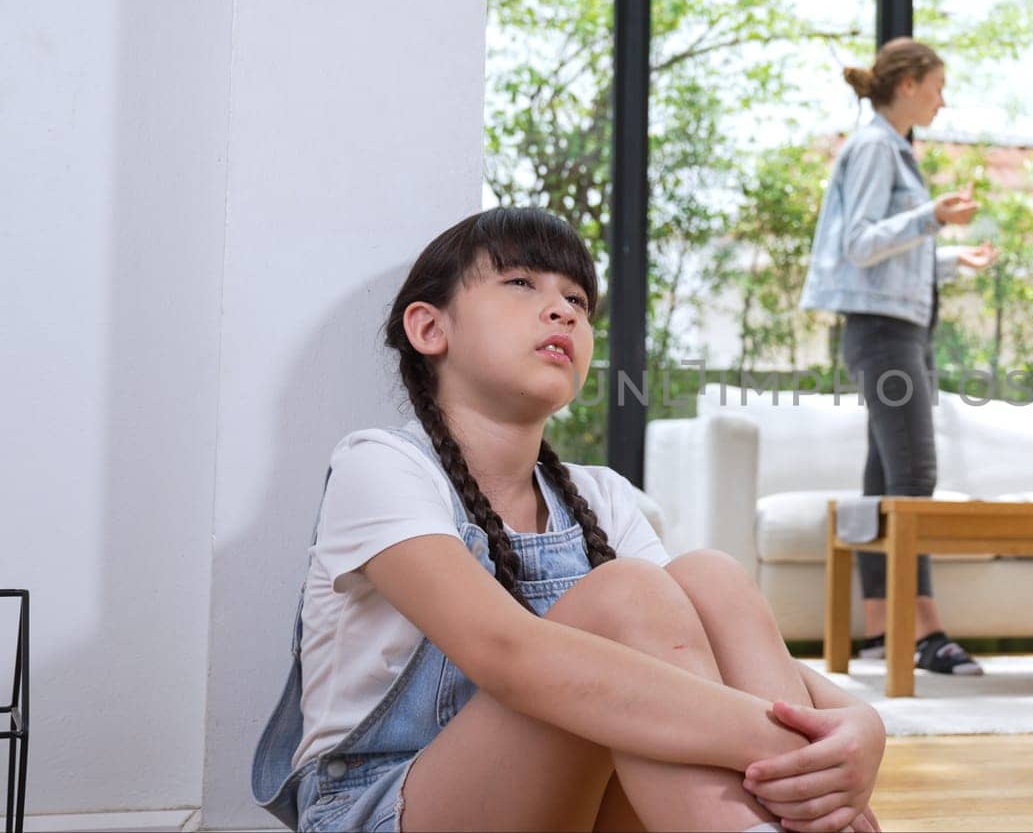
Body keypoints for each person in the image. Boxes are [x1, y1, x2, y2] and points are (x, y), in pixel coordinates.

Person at [252, 207, 885, 832]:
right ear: (428, 328)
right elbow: (507, 654)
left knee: (711, 577)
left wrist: (856, 723)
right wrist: (796, 753)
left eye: (578, 301)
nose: (563, 311)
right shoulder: (382, 465)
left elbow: (707, 645)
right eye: (522, 283)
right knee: (626, 593)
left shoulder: (601, 496)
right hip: (383, 806)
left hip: (565, 807)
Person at [800, 38, 998, 677]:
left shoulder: (891, 148)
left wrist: (947, 255)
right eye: (938, 85)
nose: (943, 99)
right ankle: (926, 633)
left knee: (883, 481)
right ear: (908, 83)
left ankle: (883, 630)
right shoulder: (876, 147)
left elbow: (887, 257)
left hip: (893, 327)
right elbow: (859, 243)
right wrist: (931, 217)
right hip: (884, 334)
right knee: (914, 476)